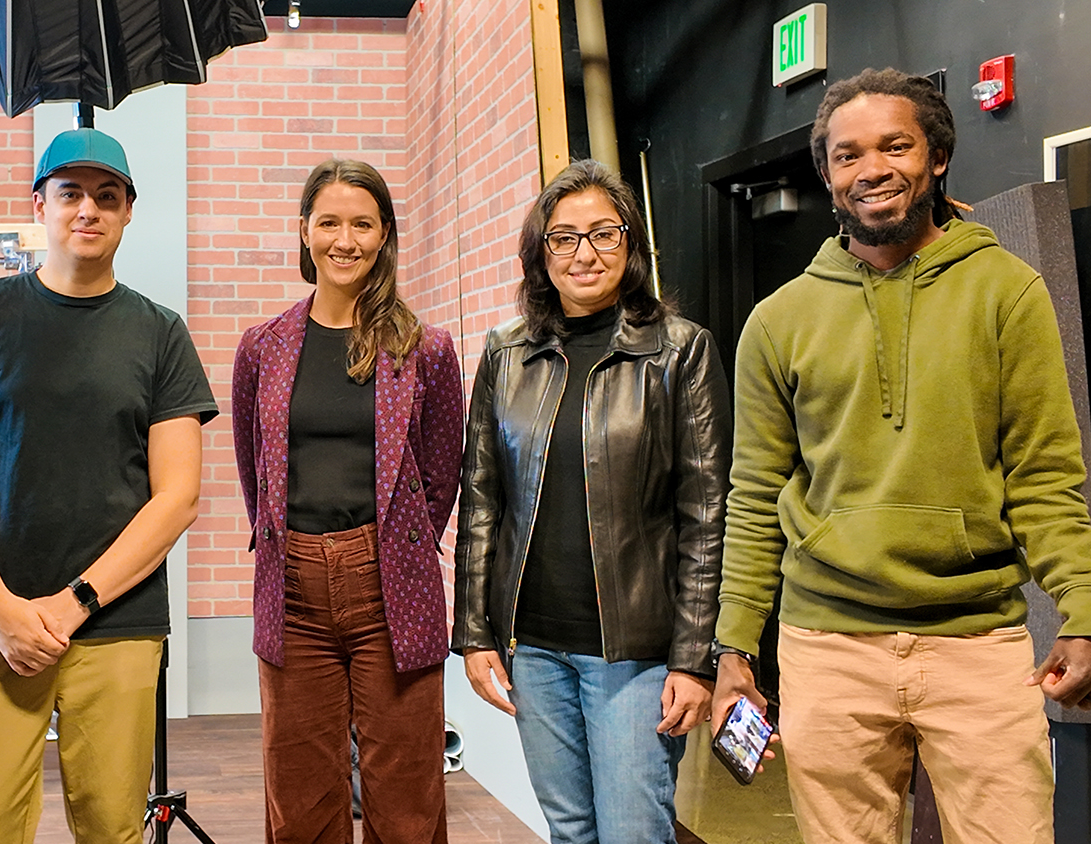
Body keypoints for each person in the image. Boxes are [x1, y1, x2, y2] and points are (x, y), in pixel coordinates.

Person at [715, 67, 1091, 844]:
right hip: (828, 648)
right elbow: (753, 496)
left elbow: (1046, 476)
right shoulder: (778, 321)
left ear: (937, 156)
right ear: (827, 175)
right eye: (848, 156)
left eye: (895, 146)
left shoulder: (1007, 292)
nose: (873, 169)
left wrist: (1083, 610)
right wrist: (733, 648)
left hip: (981, 647)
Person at [0, 127, 217, 844]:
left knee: (111, 830)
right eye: (70, 193)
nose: (87, 209)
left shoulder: (160, 333)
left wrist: (75, 601)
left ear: (127, 213)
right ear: (41, 205)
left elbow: (176, 496)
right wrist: (0, 610)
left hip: (115, 623)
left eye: (107, 196)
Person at [453, 159, 729, 844]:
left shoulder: (679, 352)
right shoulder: (506, 354)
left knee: (634, 832)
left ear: (630, 245)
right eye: (564, 237)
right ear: (540, 252)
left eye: (603, 234)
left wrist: (695, 657)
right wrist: (476, 632)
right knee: (570, 832)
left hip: (635, 654)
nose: (584, 253)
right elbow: (482, 498)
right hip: (536, 647)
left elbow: (706, 513)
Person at [232, 158, 463, 843]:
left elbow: (440, 481)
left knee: (407, 803)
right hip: (293, 594)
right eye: (329, 222)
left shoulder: (427, 351)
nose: (345, 239)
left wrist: (389, 545)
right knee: (299, 800)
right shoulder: (262, 349)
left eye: (363, 223)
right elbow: (258, 476)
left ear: (385, 234)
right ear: (303, 231)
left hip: (392, 589)